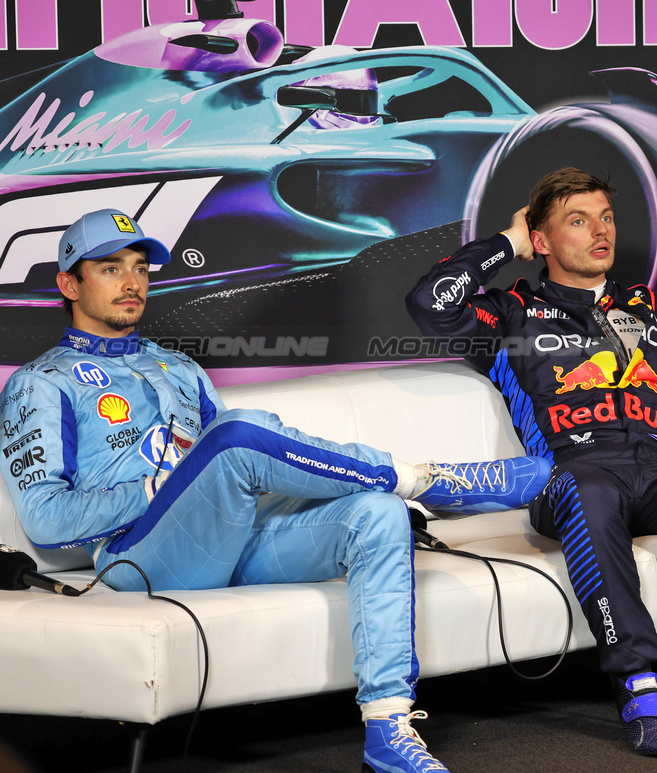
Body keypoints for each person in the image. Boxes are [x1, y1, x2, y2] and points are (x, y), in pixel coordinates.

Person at [0, 209, 553, 773]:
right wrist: (158, 487)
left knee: (377, 514)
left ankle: (388, 729)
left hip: (229, 533)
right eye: (110, 268)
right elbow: (46, 519)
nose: (132, 282)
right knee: (237, 433)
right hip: (138, 557)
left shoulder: (178, 367)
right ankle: (429, 479)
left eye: (140, 268)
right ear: (69, 284)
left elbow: (238, 472)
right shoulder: (40, 383)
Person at [406, 168, 657, 755]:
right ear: (542, 240)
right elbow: (429, 304)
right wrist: (505, 244)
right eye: (578, 221)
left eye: (606, 218)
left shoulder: (652, 307)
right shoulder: (511, 314)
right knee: (585, 488)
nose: (600, 232)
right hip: (575, 478)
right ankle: (640, 689)